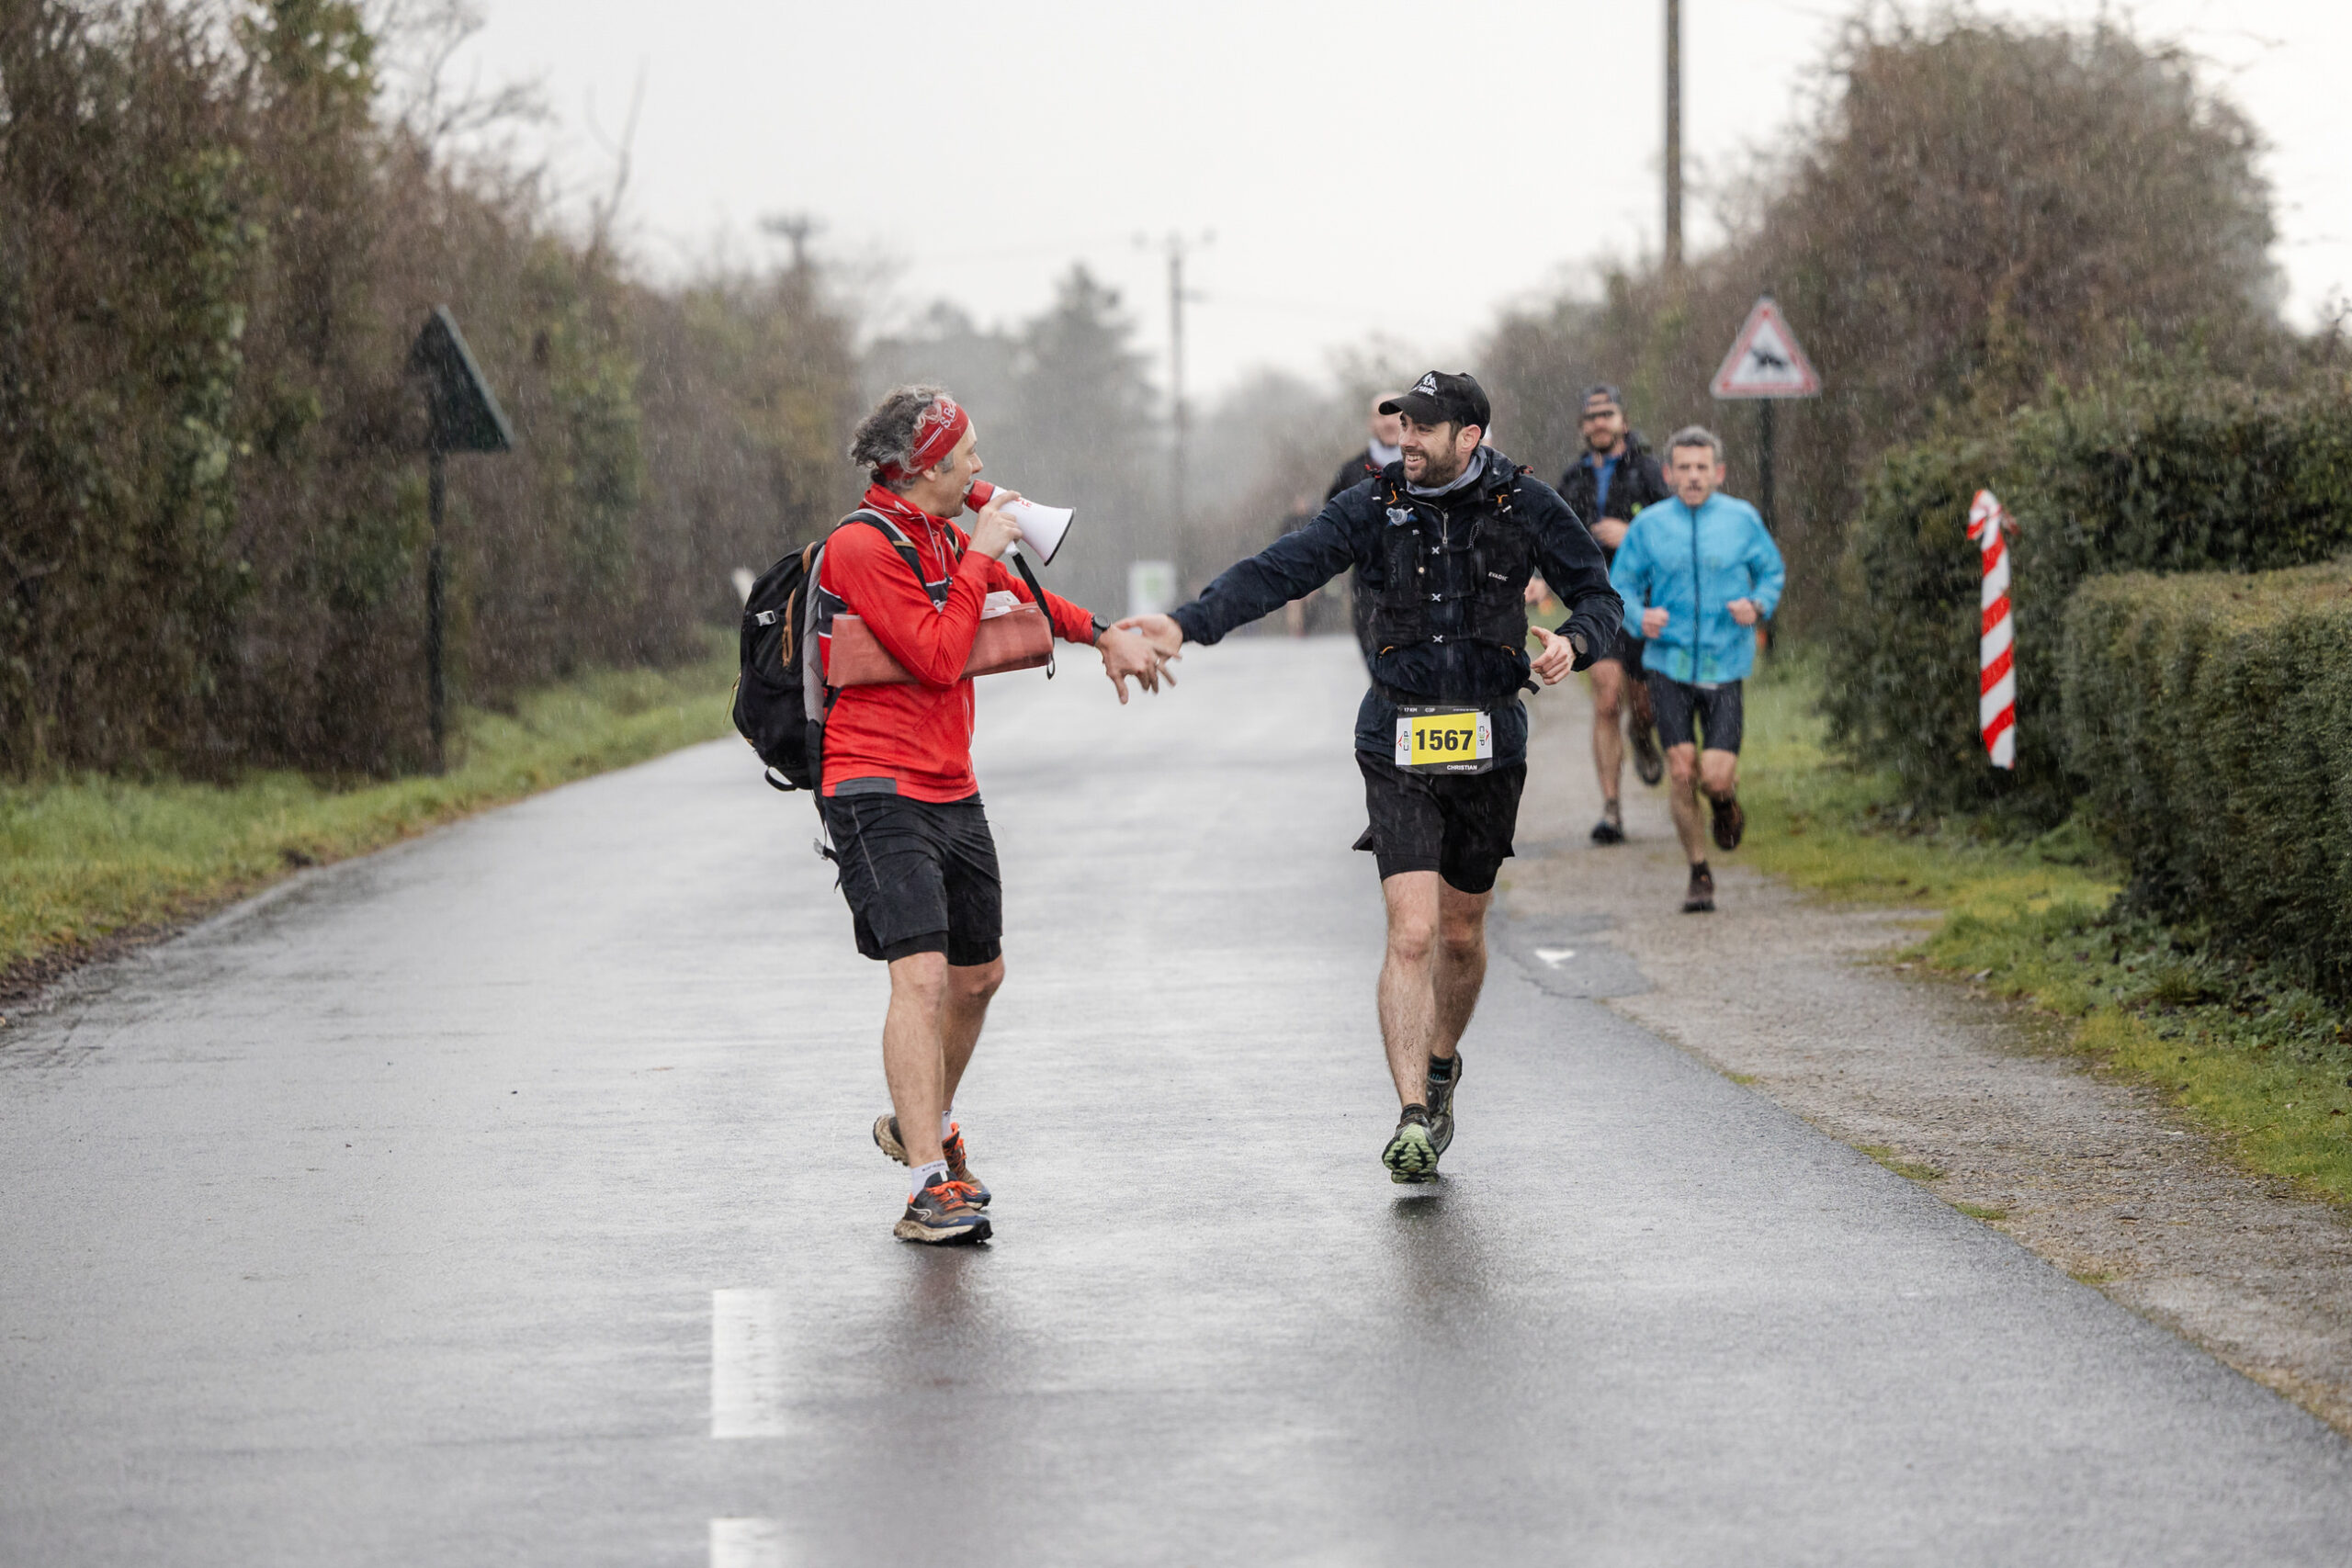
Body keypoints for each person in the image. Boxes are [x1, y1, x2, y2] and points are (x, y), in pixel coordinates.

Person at [1122, 372, 1622, 1183]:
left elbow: (1601, 595)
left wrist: (1576, 640)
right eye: (1401, 426)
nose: (1404, 440)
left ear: (1469, 436)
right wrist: (1188, 622)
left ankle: (1442, 1062)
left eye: (1422, 429)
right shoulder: (1372, 504)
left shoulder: (1526, 504)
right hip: (1396, 736)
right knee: (1413, 931)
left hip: (1491, 739)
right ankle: (1412, 1114)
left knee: (1461, 933)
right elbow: (1280, 569)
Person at [820, 385, 1166, 1245]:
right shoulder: (862, 546)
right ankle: (925, 1186)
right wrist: (980, 552)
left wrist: (1105, 634)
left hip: (950, 783)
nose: (981, 466)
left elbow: (1023, 603)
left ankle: (923, 1122)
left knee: (979, 978)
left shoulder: (945, 534)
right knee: (921, 978)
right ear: (926, 468)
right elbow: (938, 657)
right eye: (968, 453)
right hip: (873, 784)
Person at [1606, 425, 1785, 914]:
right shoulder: (1649, 526)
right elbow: (1618, 586)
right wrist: (1640, 617)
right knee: (1682, 769)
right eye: (1683, 468)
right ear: (1668, 474)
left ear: (1718, 473)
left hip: (1725, 663)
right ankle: (1699, 871)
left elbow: (1771, 572)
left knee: (1716, 777)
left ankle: (1724, 804)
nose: (1692, 476)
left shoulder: (1741, 520)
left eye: (1701, 468)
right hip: (1669, 663)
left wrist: (1758, 604)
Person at [1555, 385, 1674, 844]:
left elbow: (1675, 529)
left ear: (1623, 420)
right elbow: (1552, 535)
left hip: (1645, 602)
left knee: (1643, 705)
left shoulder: (1648, 471)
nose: (1599, 422)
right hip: (1595, 603)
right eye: (1592, 416)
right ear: (1582, 426)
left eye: (1607, 414)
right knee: (1606, 700)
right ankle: (1611, 810)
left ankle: (1643, 737)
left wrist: (1633, 532)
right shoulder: (1572, 479)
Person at [1329, 393, 1407, 664]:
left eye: (1396, 414)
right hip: (1368, 588)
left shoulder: (1428, 468)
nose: (1388, 422)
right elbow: (1332, 527)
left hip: (1422, 584)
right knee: (1377, 665)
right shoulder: (1351, 472)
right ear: (1370, 423)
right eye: (1380, 415)